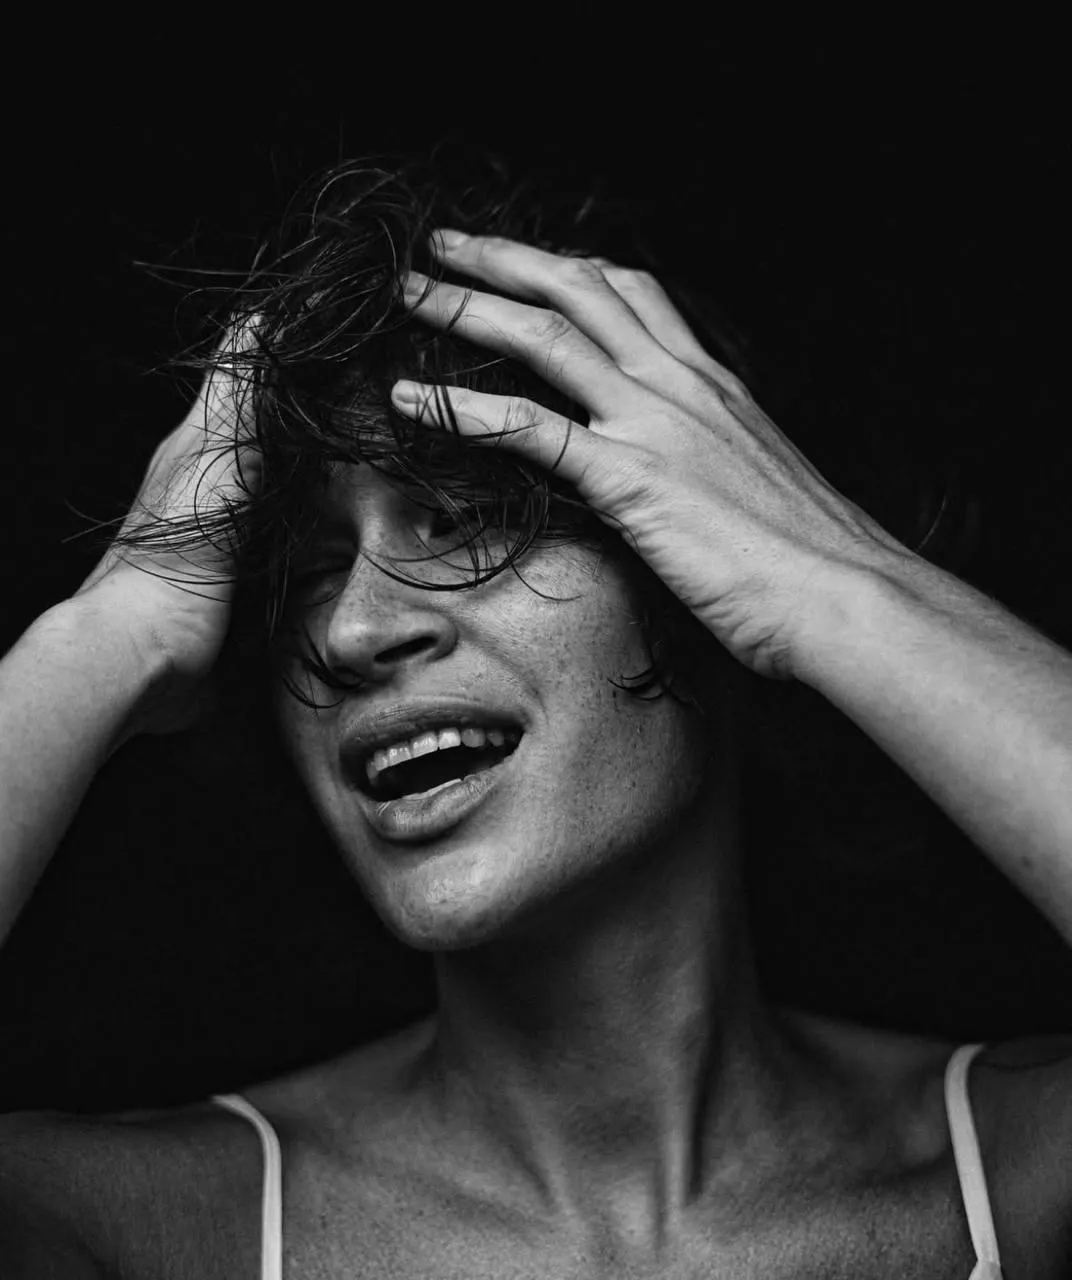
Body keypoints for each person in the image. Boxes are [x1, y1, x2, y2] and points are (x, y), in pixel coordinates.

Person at [1, 148, 1069, 1279]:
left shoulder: (1020, 1177)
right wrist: (111, 627)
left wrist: (829, 579)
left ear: (704, 575)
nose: (353, 631)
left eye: (469, 519)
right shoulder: (133, 1226)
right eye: (306, 572)